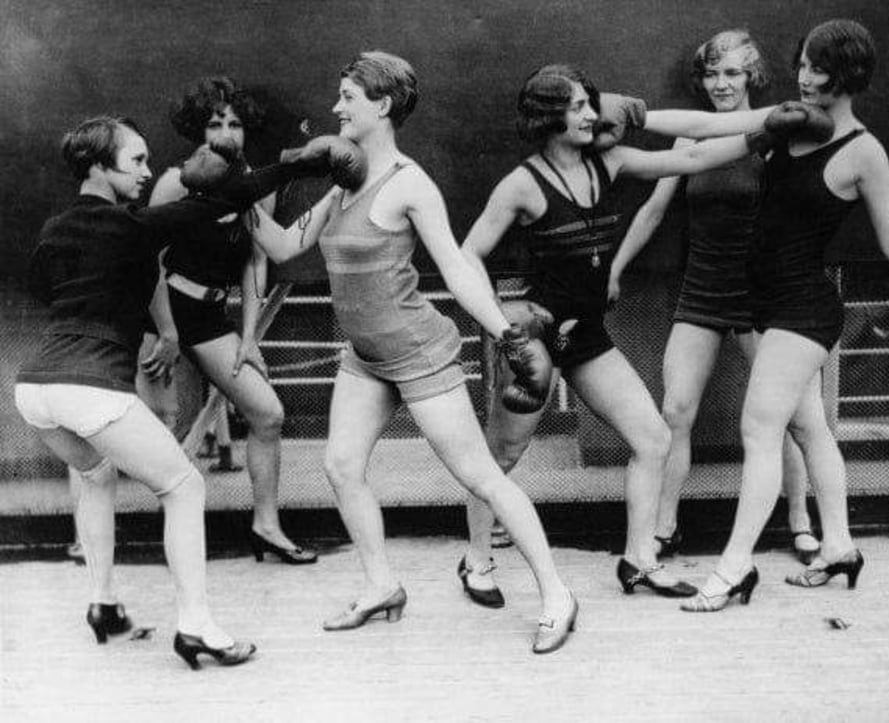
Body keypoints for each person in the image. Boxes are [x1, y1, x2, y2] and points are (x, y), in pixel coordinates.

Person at [248, 51, 580, 654]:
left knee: (481, 477)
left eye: (347, 96)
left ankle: (557, 594)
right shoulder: (342, 183)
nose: (335, 107)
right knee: (341, 468)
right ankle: (382, 587)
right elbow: (282, 245)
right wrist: (241, 190)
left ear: (381, 105)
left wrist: (506, 333)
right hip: (365, 357)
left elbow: (456, 268)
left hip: (419, 353)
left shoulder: (409, 182)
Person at [458, 64, 795, 606]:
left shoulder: (608, 162)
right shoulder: (522, 184)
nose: (592, 114)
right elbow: (467, 255)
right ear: (549, 116)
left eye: (590, 103)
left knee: (654, 439)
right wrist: (503, 326)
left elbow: (688, 156)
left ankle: (639, 560)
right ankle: (476, 561)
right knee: (499, 456)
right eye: (577, 106)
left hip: (587, 335)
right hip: (538, 338)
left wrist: (762, 133)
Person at [679, 19, 889, 612]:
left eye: (818, 67)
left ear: (846, 76)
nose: (803, 75)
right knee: (810, 427)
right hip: (766, 302)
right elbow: (709, 127)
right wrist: (637, 120)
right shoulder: (793, 121)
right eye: (801, 63)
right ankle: (839, 547)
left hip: (803, 310)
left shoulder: (863, 152)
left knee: (758, 428)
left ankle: (734, 566)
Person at [14, 115, 323, 667]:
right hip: (89, 386)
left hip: (35, 388)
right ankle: (197, 628)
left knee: (95, 473)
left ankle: (104, 604)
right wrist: (300, 163)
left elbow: (44, 287)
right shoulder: (131, 226)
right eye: (135, 161)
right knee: (183, 488)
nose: (148, 171)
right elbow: (222, 200)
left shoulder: (56, 228)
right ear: (97, 167)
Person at [609, 29, 820, 565]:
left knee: (790, 416)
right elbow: (653, 210)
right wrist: (613, 268)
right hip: (701, 290)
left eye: (732, 73)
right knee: (675, 409)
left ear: (752, 76)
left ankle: (799, 520)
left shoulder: (778, 133)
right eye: (712, 73)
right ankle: (664, 526)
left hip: (763, 298)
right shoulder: (689, 139)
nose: (721, 83)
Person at [149, 77, 315, 564]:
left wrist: (248, 337)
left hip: (208, 318)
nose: (226, 131)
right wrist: (165, 333)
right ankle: (128, 539)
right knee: (161, 426)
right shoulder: (175, 181)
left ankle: (266, 527)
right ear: (197, 131)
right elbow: (147, 261)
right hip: (157, 315)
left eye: (235, 123)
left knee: (268, 414)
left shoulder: (255, 188)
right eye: (215, 122)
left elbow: (252, 262)